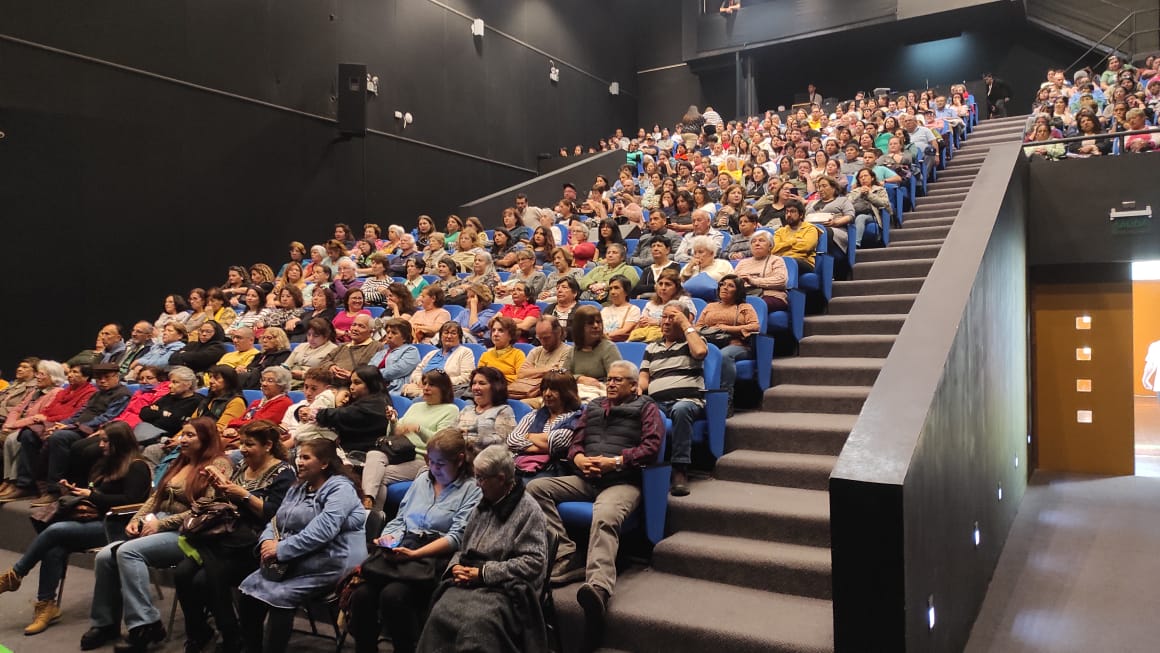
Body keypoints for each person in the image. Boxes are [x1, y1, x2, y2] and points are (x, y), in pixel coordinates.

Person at [527, 360, 664, 651]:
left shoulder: (647, 407)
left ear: (632, 385)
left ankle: (598, 587)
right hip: (585, 478)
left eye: (618, 380)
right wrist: (579, 460)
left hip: (622, 481)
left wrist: (613, 462)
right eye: (609, 379)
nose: (611, 383)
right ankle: (567, 553)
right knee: (536, 488)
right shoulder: (593, 407)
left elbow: (651, 448)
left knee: (603, 517)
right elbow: (576, 443)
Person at [81, 417, 232, 652]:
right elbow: (155, 498)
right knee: (104, 557)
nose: (183, 439)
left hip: (191, 533)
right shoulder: (181, 461)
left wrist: (162, 525)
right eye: (183, 434)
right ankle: (105, 623)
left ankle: (146, 625)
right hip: (159, 525)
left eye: (190, 435)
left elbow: (208, 508)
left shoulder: (219, 464)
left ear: (206, 438)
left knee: (128, 552)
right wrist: (136, 519)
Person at [0, 422, 150, 637]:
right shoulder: (105, 463)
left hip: (118, 527)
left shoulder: (137, 466)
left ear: (119, 443)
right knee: (55, 547)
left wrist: (92, 496)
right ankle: (46, 605)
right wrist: (73, 491)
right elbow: (94, 491)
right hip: (94, 520)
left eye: (106, 441)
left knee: (55, 531)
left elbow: (132, 501)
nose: (101, 445)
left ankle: (15, 574)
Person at [348, 429, 482, 653]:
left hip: (436, 555)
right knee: (362, 596)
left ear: (460, 460)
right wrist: (389, 537)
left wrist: (416, 554)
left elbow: (457, 537)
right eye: (431, 461)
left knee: (394, 596)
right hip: (405, 547)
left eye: (440, 464)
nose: (434, 468)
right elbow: (400, 520)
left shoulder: (472, 488)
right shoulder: (422, 479)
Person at [175, 421, 295, 653]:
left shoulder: (283, 473)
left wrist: (244, 495)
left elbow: (276, 516)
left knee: (204, 578)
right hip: (227, 536)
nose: (242, 448)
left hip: (255, 542)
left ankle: (230, 633)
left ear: (268, 445)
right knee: (182, 574)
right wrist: (221, 489)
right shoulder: (242, 466)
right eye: (241, 442)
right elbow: (229, 505)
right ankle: (200, 631)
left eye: (249, 444)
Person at [237, 439, 366, 653]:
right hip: (296, 557)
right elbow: (276, 520)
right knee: (248, 593)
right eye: (298, 456)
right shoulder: (298, 486)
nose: (299, 462)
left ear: (324, 463)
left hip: (333, 560)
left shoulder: (341, 489)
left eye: (306, 457)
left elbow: (323, 531)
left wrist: (281, 549)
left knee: (279, 598)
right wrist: (267, 540)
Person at [416, 445, 548, 652]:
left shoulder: (529, 511)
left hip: (506, 589)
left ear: (501, 479)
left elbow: (533, 563)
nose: (477, 485)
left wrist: (484, 573)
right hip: (472, 580)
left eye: (482, 479)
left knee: (476, 626)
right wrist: (455, 567)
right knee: (439, 614)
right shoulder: (483, 504)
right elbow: (462, 547)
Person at [22, 363, 131, 504]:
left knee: (59, 437)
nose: (102, 381)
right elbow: (80, 413)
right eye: (99, 378)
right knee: (29, 434)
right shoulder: (97, 393)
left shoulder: (122, 394)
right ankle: (29, 483)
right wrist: (63, 424)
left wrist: (71, 426)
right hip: (78, 426)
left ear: (116, 376)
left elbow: (107, 417)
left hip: (94, 430)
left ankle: (54, 488)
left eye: (107, 377)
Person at [367, 369, 460, 508]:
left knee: (377, 476)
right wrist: (393, 421)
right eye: (425, 384)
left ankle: (369, 510)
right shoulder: (416, 406)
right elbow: (393, 435)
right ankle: (369, 506)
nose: (426, 388)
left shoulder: (450, 410)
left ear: (443, 388)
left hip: (421, 458)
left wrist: (419, 429)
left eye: (432, 385)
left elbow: (442, 443)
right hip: (399, 453)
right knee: (373, 454)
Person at [642, 302, 707, 496]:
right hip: (658, 403)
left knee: (681, 409)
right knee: (639, 409)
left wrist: (685, 324)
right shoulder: (652, 347)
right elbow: (644, 377)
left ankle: (680, 470)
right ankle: (646, 467)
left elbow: (701, 352)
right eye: (664, 317)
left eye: (673, 317)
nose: (667, 322)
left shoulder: (693, 341)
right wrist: (637, 390)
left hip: (688, 400)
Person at [695, 275, 758, 414]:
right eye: (723, 284)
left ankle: (726, 400)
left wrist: (726, 328)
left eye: (730, 285)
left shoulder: (744, 307)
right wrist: (714, 330)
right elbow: (698, 327)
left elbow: (754, 326)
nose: (725, 287)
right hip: (710, 344)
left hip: (737, 345)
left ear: (738, 291)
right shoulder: (710, 306)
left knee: (724, 356)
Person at [507, 370, 582, 479]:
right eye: (545, 389)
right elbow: (512, 440)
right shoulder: (534, 414)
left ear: (567, 392)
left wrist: (528, 436)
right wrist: (546, 446)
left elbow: (559, 442)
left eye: (554, 389)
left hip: (555, 470)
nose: (547, 394)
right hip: (523, 466)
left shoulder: (576, 417)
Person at [310, 365, 390, 462]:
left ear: (371, 384)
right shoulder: (365, 399)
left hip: (360, 456)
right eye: (351, 383)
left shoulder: (376, 405)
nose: (352, 387)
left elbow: (342, 415)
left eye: (357, 383)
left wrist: (314, 412)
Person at [131, 366, 201, 445]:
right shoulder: (169, 396)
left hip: (168, 439)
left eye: (175, 382)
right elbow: (143, 412)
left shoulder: (196, 401)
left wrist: (156, 413)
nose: (169, 385)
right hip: (150, 433)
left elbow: (173, 424)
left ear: (188, 384)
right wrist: (163, 413)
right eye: (171, 382)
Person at [403, 322, 475, 397]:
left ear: (459, 337)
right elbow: (416, 372)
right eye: (446, 333)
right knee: (405, 390)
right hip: (423, 386)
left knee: (417, 398)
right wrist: (422, 381)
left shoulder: (465, 352)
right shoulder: (432, 353)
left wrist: (438, 383)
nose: (449, 336)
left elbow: (466, 377)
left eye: (453, 333)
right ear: (440, 336)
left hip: (448, 389)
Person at [569, 306, 621, 400]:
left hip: (599, 394)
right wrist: (579, 378)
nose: (596, 326)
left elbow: (618, 379)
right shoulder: (574, 349)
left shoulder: (608, 348)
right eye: (590, 323)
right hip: (576, 391)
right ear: (579, 327)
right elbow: (564, 376)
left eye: (599, 322)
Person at [459, 366, 517, 451]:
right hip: (460, 455)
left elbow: (501, 440)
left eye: (482, 383)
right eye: (474, 383)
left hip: (488, 458)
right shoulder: (467, 409)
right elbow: (451, 433)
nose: (475, 388)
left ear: (496, 388)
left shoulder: (503, 410)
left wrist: (468, 436)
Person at [630, 270, 695, 343]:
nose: (663, 288)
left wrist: (657, 322)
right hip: (647, 338)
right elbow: (641, 323)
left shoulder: (683, 301)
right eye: (660, 284)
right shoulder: (651, 304)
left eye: (668, 284)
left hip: (674, 340)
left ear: (677, 287)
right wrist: (642, 323)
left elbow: (686, 322)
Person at [323, 313, 385, 387]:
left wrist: (352, 376)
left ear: (371, 331)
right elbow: (324, 361)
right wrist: (331, 366)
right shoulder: (343, 346)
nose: (355, 329)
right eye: (354, 325)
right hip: (330, 383)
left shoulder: (376, 346)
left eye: (361, 326)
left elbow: (373, 372)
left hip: (353, 387)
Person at [369, 318, 421, 393]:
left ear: (404, 337)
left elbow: (397, 370)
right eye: (387, 332)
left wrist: (372, 375)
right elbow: (369, 368)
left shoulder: (410, 351)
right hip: (373, 386)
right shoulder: (381, 352)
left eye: (394, 333)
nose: (389, 336)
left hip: (393, 389)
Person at [284, 318, 340, 387]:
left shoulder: (334, 349)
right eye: (308, 335)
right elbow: (285, 366)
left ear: (326, 336)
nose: (311, 339)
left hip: (313, 385)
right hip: (288, 381)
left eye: (316, 336)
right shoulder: (301, 346)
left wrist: (304, 375)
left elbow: (328, 375)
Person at [773, 197, 818, 273]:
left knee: (788, 262)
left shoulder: (810, 229)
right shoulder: (780, 231)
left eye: (792, 211)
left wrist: (783, 248)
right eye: (787, 212)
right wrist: (793, 241)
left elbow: (806, 247)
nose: (789, 214)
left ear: (801, 215)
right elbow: (773, 249)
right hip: (782, 260)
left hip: (804, 262)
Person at [478, 316, 526, 383]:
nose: (495, 334)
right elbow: (479, 377)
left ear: (511, 335)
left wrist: (495, 378)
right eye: (493, 330)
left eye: (501, 330)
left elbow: (521, 377)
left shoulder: (518, 355)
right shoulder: (485, 355)